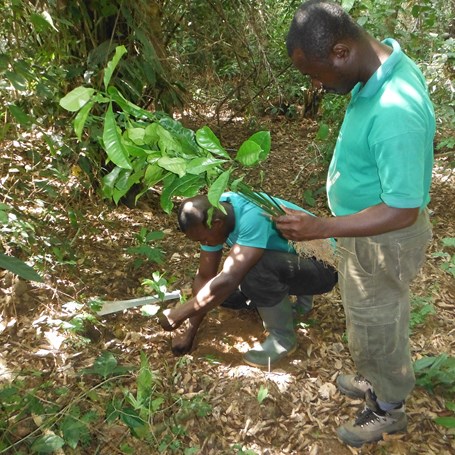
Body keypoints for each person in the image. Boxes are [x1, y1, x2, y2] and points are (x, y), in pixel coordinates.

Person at [276, 0, 435, 447]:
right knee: (372, 321)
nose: (316, 85)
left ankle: (388, 407)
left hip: (384, 239)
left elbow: (402, 208)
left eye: (316, 73)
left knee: (377, 325)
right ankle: (378, 378)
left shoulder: (395, 112)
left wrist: (320, 227)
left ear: (342, 52)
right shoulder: (378, 73)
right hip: (366, 233)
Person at [158, 192, 337, 368]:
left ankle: (282, 339)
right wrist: (190, 331)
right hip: (292, 262)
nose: (204, 243)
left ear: (216, 224)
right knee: (221, 295)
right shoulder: (215, 213)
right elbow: (205, 276)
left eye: (204, 239)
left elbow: (229, 278)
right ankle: (291, 302)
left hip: (324, 268)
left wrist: (178, 314)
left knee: (252, 267)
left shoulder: (252, 215)